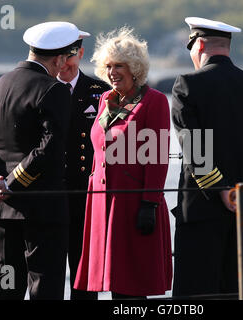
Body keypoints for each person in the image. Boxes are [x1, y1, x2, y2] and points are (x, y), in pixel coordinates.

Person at [171, 17, 243, 298]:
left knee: (195, 296)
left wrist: (221, 191)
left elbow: (195, 147)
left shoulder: (187, 84)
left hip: (202, 212)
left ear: (197, 45)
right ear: (228, 48)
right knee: (242, 292)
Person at [0, 21, 81, 300]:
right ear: (58, 58)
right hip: (42, 207)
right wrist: (11, 183)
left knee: (6, 278)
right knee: (44, 279)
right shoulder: (53, 90)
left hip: (2, 206)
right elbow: (49, 148)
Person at [73, 27, 172, 299]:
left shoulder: (155, 101)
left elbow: (158, 158)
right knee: (110, 280)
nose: (113, 72)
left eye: (120, 66)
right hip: (100, 202)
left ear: (135, 69)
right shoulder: (106, 99)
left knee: (131, 286)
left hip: (134, 204)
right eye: (109, 66)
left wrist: (149, 204)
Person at [57, 26, 111, 301]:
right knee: (47, 276)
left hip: (86, 198)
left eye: (70, 55)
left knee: (85, 277)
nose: (65, 63)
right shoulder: (40, 89)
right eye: (59, 55)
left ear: (80, 53)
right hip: (49, 194)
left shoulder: (100, 92)